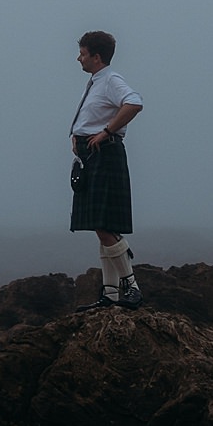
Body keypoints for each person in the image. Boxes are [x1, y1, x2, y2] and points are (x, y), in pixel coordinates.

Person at [69, 30, 144, 308]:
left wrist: (105, 132)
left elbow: (134, 103)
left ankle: (131, 287)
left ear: (97, 57)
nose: (79, 58)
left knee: (103, 225)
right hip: (92, 155)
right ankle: (110, 295)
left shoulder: (111, 80)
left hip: (104, 152)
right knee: (103, 226)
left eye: (83, 53)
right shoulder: (97, 82)